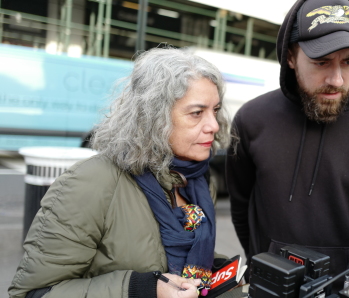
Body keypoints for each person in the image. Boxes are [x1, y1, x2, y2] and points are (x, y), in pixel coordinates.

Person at [225, 0, 349, 288]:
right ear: (291, 55)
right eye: (321, 62)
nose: (337, 78)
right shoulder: (251, 120)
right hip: (268, 288)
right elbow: (242, 207)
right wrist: (260, 263)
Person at [9, 47, 229, 298]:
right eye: (197, 113)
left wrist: (220, 269)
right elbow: (34, 293)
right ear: (154, 117)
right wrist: (144, 289)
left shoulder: (197, 180)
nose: (213, 125)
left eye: (216, 110)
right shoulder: (90, 183)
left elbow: (186, 253)